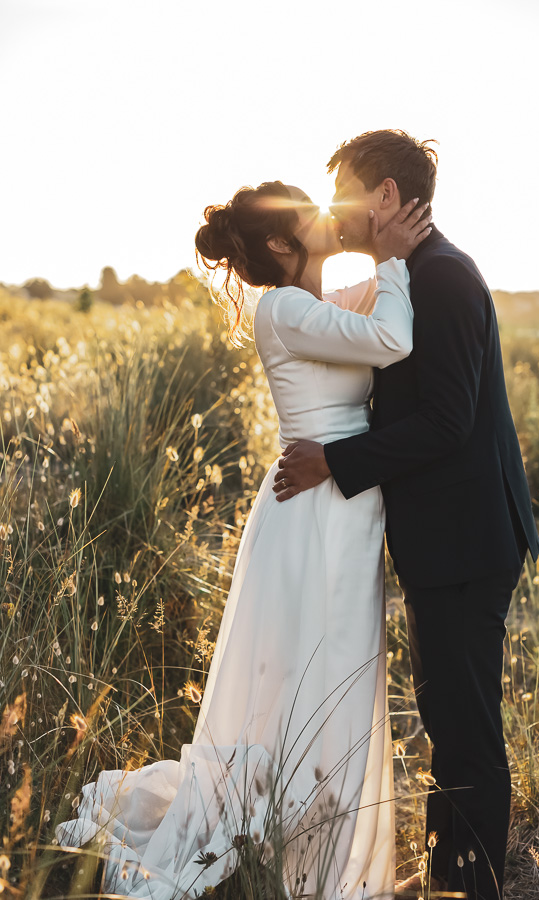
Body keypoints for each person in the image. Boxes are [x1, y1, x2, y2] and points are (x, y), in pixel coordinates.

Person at [55, 178, 432, 900]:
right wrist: (393, 256)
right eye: (305, 215)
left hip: (337, 509)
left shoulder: (313, 305)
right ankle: (306, 862)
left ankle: (316, 852)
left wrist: (392, 260)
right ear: (285, 244)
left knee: (333, 680)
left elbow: (371, 321)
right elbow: (393, 336)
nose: (327, 217)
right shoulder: (284, 307)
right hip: (314, 513)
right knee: (315, 679)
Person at [274, 130, 539, 900]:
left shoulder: (446, 278)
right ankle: (449, 876)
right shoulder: (413, 274)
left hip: (467, 544)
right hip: (443, 544)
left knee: (466, 732)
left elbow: (450, 421)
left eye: (342, 193)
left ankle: (475, 886)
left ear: (385, 196)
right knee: (447, 721)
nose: (334, 211)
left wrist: (336, 461)